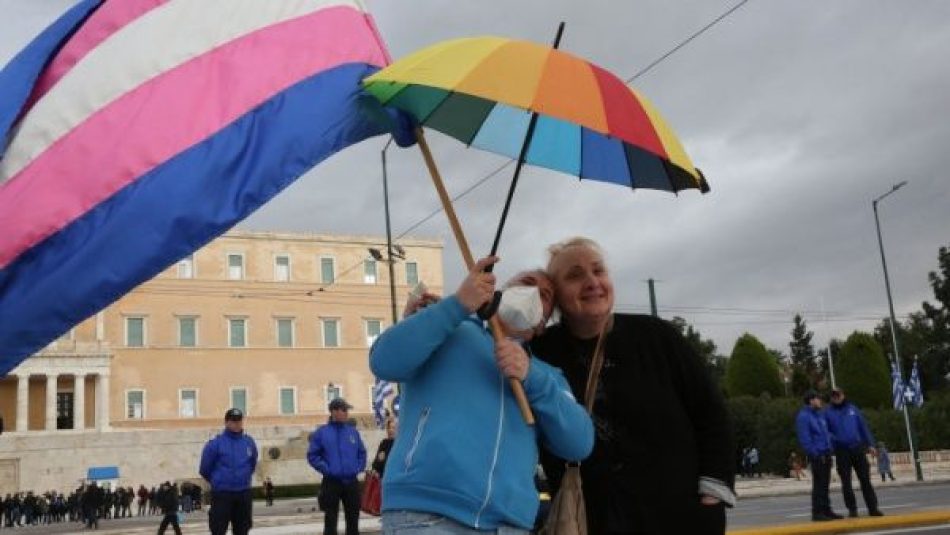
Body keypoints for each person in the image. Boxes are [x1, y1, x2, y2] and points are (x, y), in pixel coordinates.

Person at [369, 258, 594, 534]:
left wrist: (531, 376)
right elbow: (384, 361)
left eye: (545, 295)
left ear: (542, 323)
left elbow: (579, 442)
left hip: (509, 525)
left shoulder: (547, 376)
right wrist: (457, 305)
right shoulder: (449, 329)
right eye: (526, 283)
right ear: (500, 291)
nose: (533, 293)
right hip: (426, 514)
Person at [531, 237, 734, 535]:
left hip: (678, 517)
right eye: (575, 275)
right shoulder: (539, 352)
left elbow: (712, 415)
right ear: (555, 295)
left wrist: (712, 494)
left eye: (598, 271)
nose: (592, 282)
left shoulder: (658, 337)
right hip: (589, 520)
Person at [308, 398, 366, 535]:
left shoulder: (353, 432)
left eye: (347, 410)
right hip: (331, 482)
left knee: (353, 520)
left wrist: (358, 467)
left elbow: (362, 452)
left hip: (351, 482)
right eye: (344, 410)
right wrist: (326, 469)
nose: (347, 413)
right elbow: (313, 455)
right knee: (330, 521)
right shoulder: (322, 432)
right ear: (334, 411)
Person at [825, 387, 883, 517]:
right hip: (842, 451)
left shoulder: (853, 409)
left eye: (838, 395)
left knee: (865, 479)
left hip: (857, 448)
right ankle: (852, 509)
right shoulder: (828, 413)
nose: (836, 398)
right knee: (846, 482)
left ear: (843, 395)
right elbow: (826, 432)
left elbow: (863, 427)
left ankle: (873, 508)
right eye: (833, 396)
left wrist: (871, 444)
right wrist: (835, 440)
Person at [199, 407, 258, 535]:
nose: (237, 424)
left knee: (243, 529)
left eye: (239, 421)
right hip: (222, 494)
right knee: (218, 529)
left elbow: (252, 464)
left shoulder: (249, 442)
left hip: (243, 493)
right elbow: (205, 468)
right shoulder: (215, 444)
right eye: (233, 421)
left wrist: (244, 478)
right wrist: (218, 480)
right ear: (226, 422)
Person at [796, 390, 842, 521]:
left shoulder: (819, 415)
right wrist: (815, 453)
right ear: (811, 401)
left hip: (826, 453)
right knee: (819, 486)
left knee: (825, 485)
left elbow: (825, 434)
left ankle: (826, 510)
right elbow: (805, 439)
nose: (820, 401)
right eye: (818, 399)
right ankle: (817, 512)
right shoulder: (804, 417)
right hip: (818, 455)